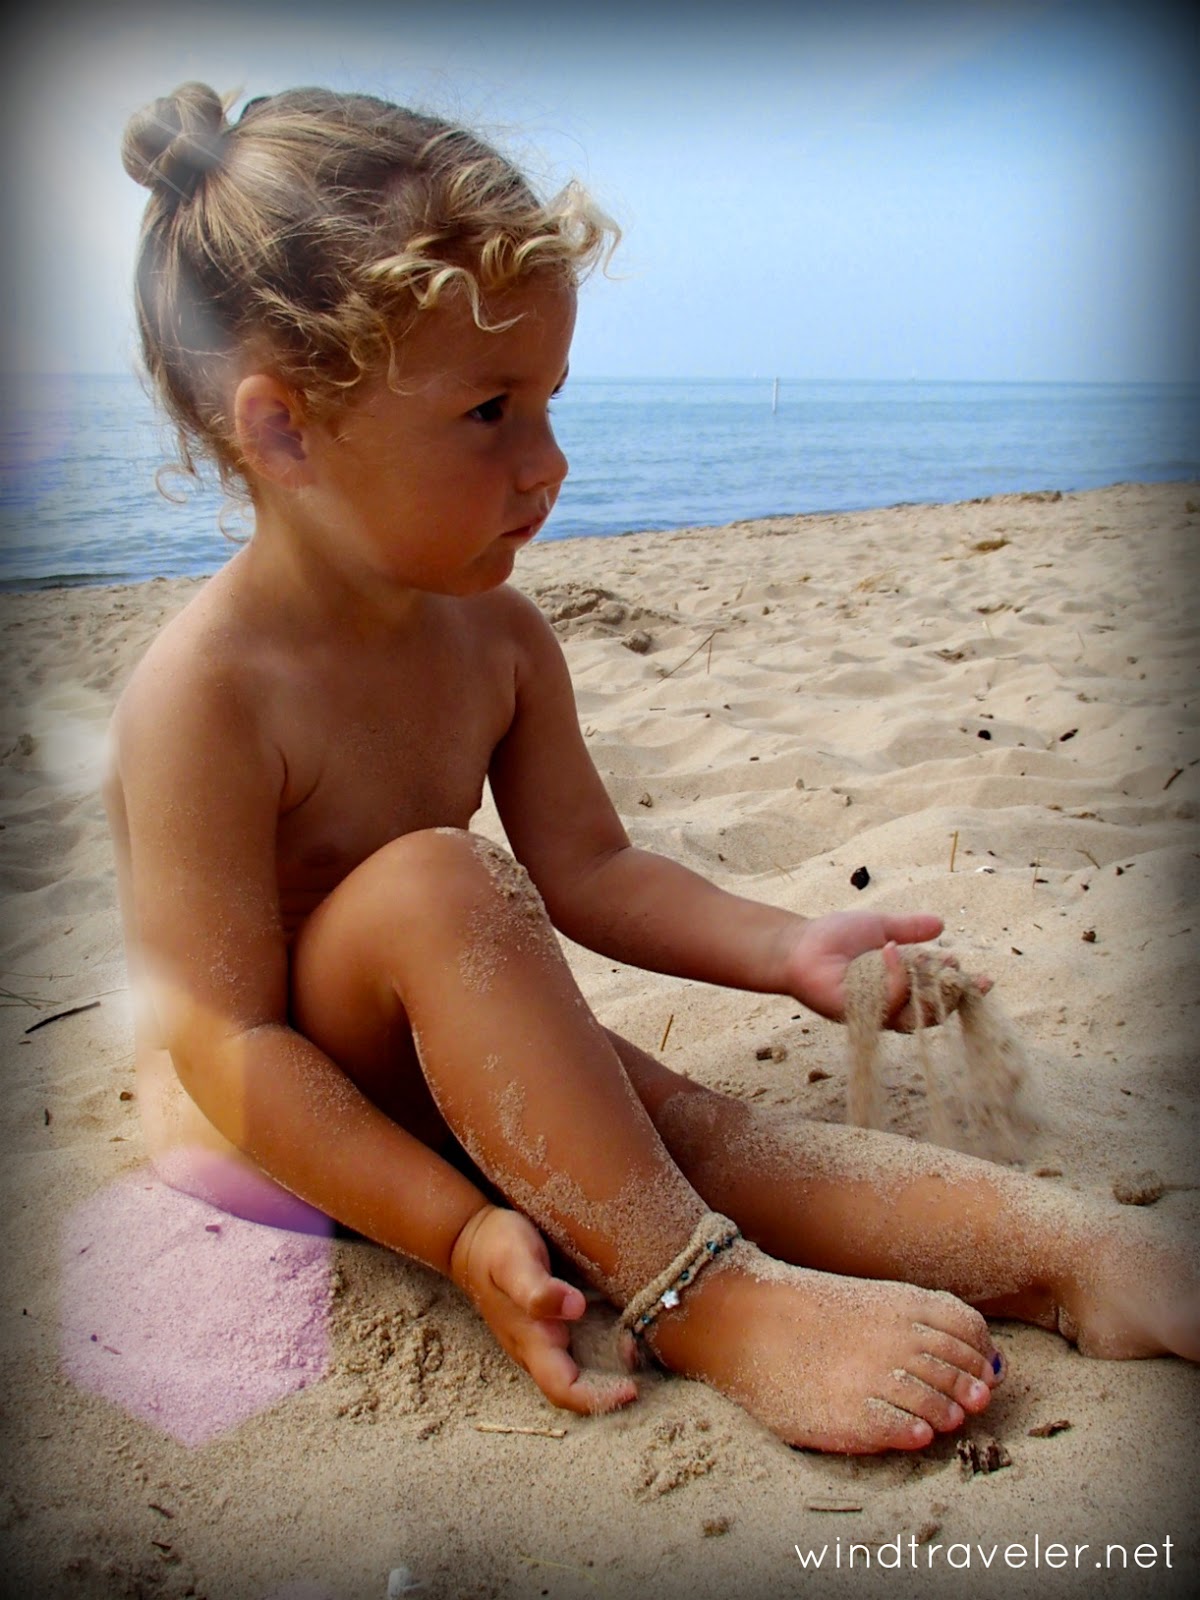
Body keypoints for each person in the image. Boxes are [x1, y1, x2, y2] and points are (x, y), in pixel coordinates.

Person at [106, 82, 1198, 1457]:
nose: (549, 464)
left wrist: (783, 945)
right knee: (442, 884)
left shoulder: (496, 638)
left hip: (459, 1047)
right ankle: (711, 1302)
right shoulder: (206, 697)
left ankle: (1072, 1255)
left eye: (550, 402)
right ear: (283, 433)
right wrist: (455, 1229)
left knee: (706, 1132)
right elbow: (225, 1043)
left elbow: (594, 868)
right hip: (280, 1119)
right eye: (490, 412)